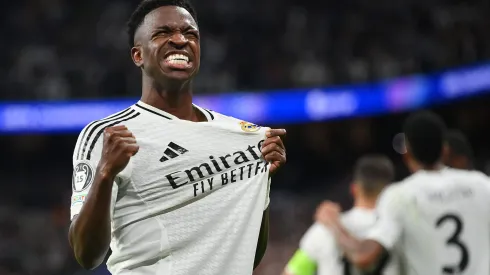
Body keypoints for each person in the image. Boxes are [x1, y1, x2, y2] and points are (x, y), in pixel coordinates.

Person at [67, 1, 287, 274]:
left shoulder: (242, 136)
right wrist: (105, 173)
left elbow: (247, 255)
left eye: (190, 34)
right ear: (138, 55)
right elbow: (85, 255)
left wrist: (261, 183)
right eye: (162, 33)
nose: (180, 40)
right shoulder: (107, 134)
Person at [315, 111, 490, 275]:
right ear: (445, 150)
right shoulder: (481, 184)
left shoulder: (401, 196)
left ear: (407, 154)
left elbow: (363, 257)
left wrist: (332, 223)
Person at [283, 155, 399, 275]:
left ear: (354, 189)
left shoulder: (324, 229)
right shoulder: (400, 227)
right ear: (391, 190)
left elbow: (292, 272)